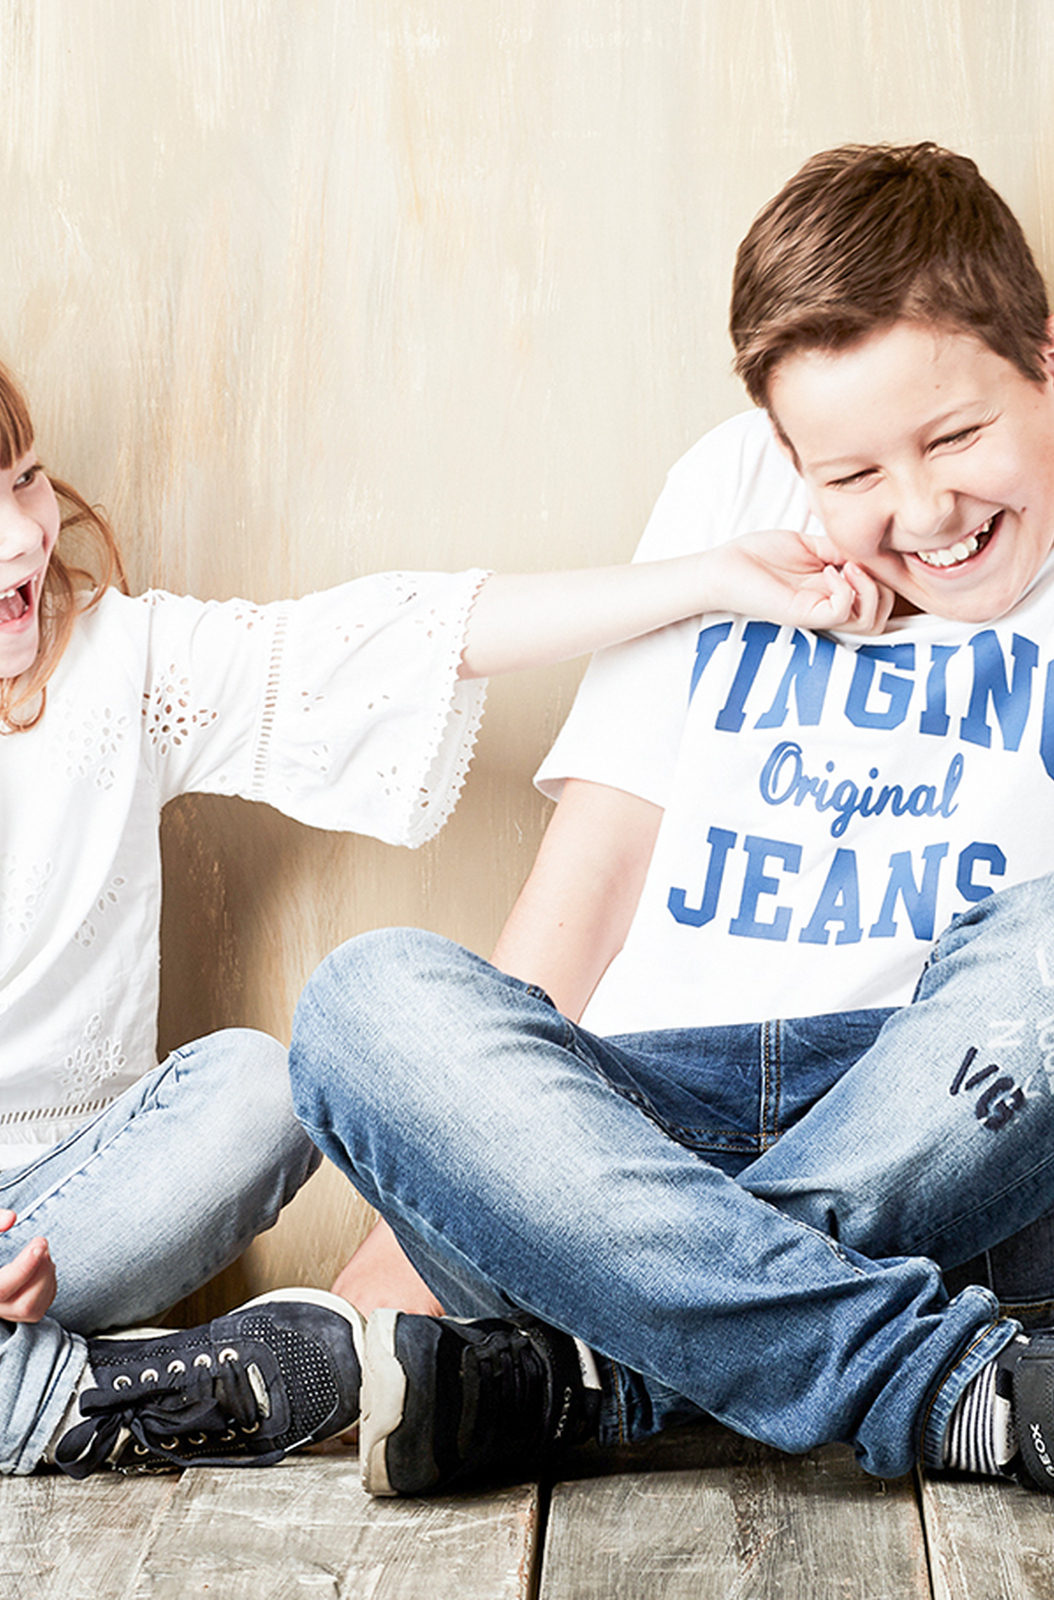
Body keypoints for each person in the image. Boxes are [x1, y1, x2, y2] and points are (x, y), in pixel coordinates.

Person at [290, 141, 1054, 1506]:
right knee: (365, 1002)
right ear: (784, 451)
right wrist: (415, 1223)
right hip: (625, 1147)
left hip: (956, 1149)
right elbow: (589, 887)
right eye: (853, 471)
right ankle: (934, 1386)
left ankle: (604, 1373)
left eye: (957, 437)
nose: (924, 511)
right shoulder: (725, 496)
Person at [0, 356, 884, 1480]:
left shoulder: (118, 666)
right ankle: (63, 1403)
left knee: (261, 1085)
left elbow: (408, 634)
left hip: (70, 1214)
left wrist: (707, 576)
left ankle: (41, 1382)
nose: (23, 539)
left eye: (25, 481)